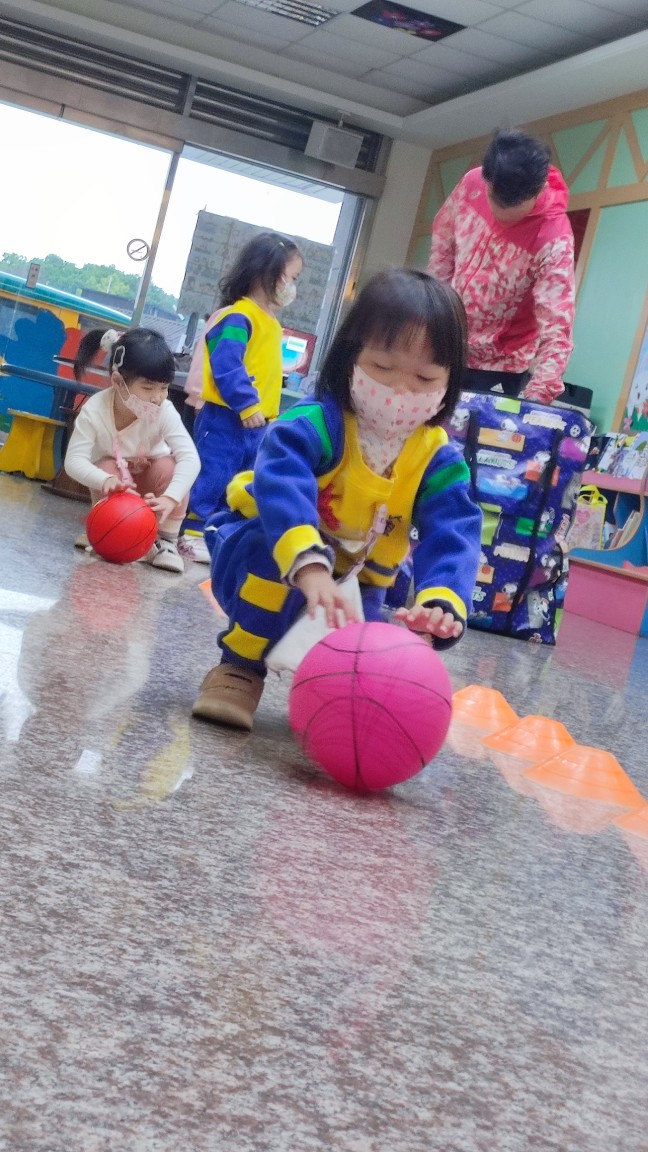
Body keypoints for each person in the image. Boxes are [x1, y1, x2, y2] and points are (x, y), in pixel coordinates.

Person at [191, 268, 483, 731]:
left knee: (364, 651)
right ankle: (238, 670)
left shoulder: (436, 457)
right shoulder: (315, 425)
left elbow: (455, 530)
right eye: (383, 368)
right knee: (267, 566)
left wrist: (440, 601)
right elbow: (282, 484)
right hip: (265, 556)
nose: (401, 391)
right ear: (351, 357)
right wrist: (309, 567)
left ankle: (329, 701)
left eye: (425, 377)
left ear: (450, 382)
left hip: (360, 581)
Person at [179, 231, 303, 564]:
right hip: (226, 418)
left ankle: (219, 534)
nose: (293, 287)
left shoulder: (269, 322)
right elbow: (227, 364)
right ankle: (193, 534)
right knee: (213, 475)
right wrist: (247, 403)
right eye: (291, 277)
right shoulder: (239, 315)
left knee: (240, 482)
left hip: (256, 424)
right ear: (266, 272)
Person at [427, 129, 575, 406]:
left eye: (513, 208)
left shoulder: (554, 237)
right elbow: (443, 245)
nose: (499, 213)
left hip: (500, 367)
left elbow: (557, 326)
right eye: (494, 198)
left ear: (539, 189)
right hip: (446, 345)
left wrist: (536, 399)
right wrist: (432, 312)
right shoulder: (472, 183)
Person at [64, 327, 200, 573]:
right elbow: (74, 461)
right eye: (148, 388)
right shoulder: (94, 411)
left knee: (169, 467)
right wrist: (105, 480)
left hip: (151, 486)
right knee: (105, 466)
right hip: (116, 489)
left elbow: (190, 458)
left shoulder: (164, 410)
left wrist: (170, 498)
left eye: (164, 388)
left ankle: (166, 541)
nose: (158, 397)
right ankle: (105, 530)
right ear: (118, 382)